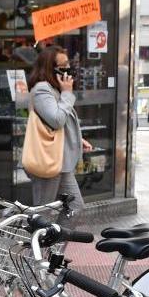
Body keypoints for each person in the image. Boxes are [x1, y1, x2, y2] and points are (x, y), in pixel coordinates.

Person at [28, 46, 91, 212]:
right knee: (43, 211)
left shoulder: (55, 89)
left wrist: (78, 139)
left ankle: (55, 238)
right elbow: (56, 120)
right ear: (50, 67)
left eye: (68, 63)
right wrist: (67, 93)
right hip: (48, 159)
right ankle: (34, 233)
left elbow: (60, 123)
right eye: (63, 65)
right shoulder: (42, 89)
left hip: (60, 161)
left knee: (75, 208)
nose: (68, 69)